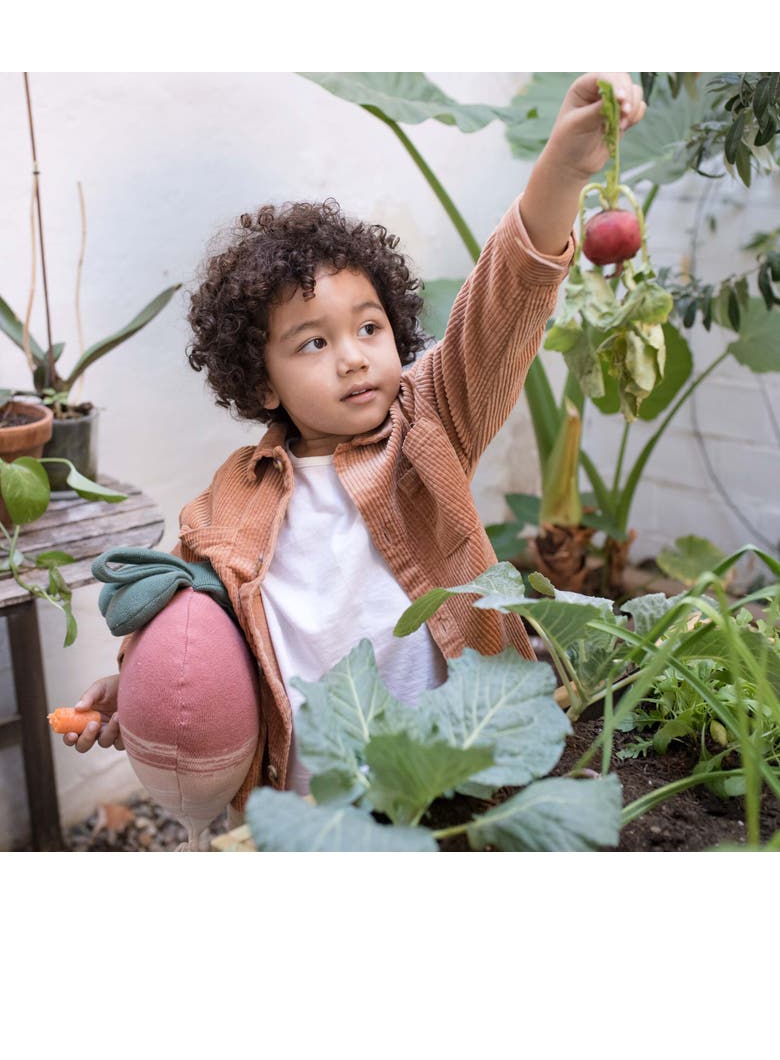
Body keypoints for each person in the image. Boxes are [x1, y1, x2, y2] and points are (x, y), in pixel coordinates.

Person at [63, 72, 646, 814]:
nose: (352, 357)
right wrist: (137, 687)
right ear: (262, 381)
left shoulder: (430, 422)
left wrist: (563, 168)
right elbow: (197, 629)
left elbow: (506, 301)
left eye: (369, 327)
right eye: (313, 342)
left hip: (454, 789)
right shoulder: (227, 502)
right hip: (311, 805)